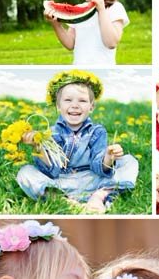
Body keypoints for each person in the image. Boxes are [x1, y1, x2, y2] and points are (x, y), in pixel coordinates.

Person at [16, 72, 138, 213]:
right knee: (25, 172)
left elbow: (98, 167)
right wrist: (39, 149)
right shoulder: (50, 133)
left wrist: (109, 157)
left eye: (82, 101)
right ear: (58, 105)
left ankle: (100, 196)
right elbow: (53, 172)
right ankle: (64, 200)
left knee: (129, 161)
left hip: (92, 179)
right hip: (61, 181)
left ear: (91, 107)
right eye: (68, 100)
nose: (75, 105)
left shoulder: (97, 131)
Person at [44, 0, 129, 67]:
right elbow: (70, 44)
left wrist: (101, 10)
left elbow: (111, 43)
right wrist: (55, 23)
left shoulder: (115, 8)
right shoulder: (79, 8)